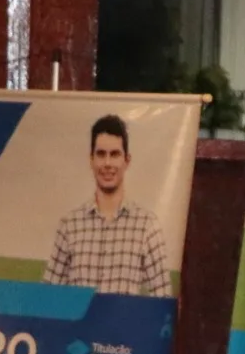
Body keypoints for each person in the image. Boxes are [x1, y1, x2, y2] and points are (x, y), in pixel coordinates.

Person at [45, 114, 173, 296]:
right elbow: (48, 297)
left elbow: (162, 297)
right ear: (91, 160)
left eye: (114, 154)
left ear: (126, 161)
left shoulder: (147, 226)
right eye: (101, 154)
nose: (107, 163)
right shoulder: (69, 226)